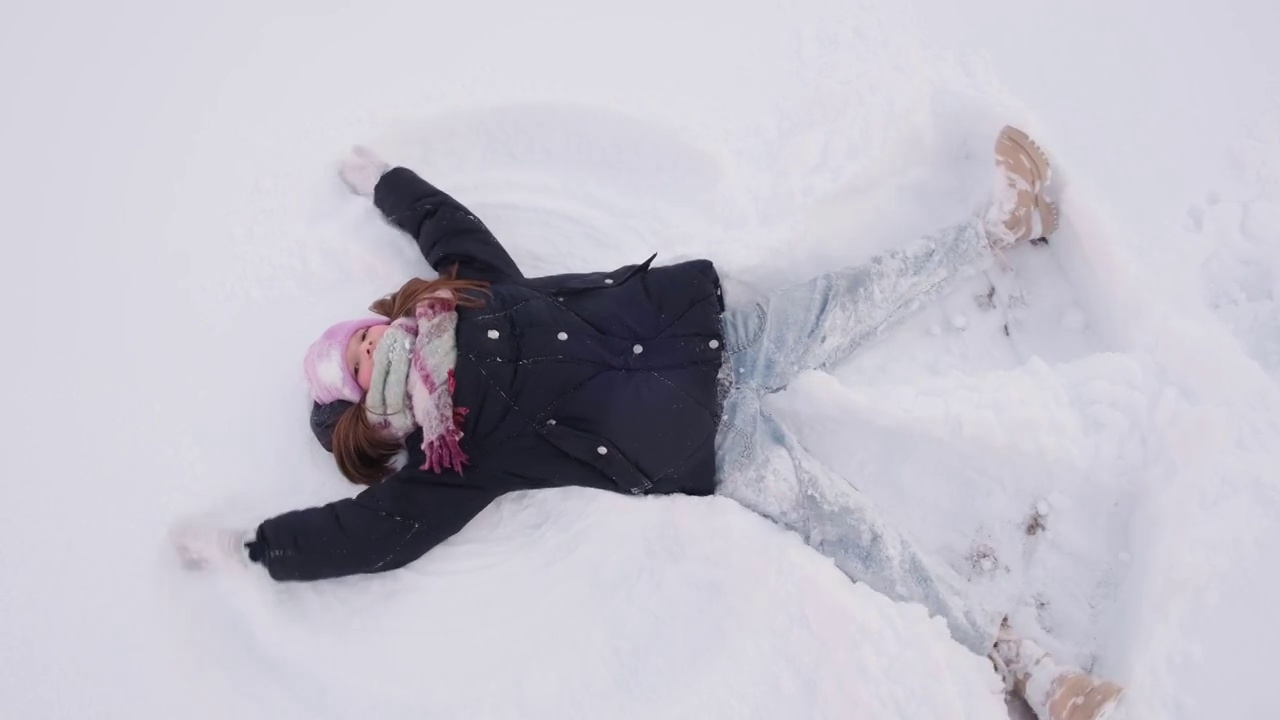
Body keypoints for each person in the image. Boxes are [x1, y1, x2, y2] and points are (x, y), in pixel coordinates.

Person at [172, 128, 1120, 720]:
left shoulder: (472, 298)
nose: (387, 370)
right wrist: (259, 548)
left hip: (714, 334)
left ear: (387, 323)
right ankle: (1019, 666)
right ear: (384, 433)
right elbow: (370, 536)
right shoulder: (455, 461)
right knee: (858, 538)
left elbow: (447, 226)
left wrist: (388, 182)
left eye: (371, 349)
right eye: (372, 391)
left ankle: (1003, 222)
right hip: (709, 446)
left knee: (852, 295)